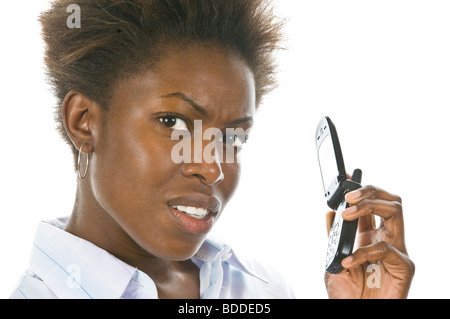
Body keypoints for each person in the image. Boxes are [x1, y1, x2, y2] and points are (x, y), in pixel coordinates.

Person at [10, 0, 414, 299]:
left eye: (233, 138)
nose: (213, 167)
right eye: (174, 123)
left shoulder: (261, 288)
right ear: (84, 121)